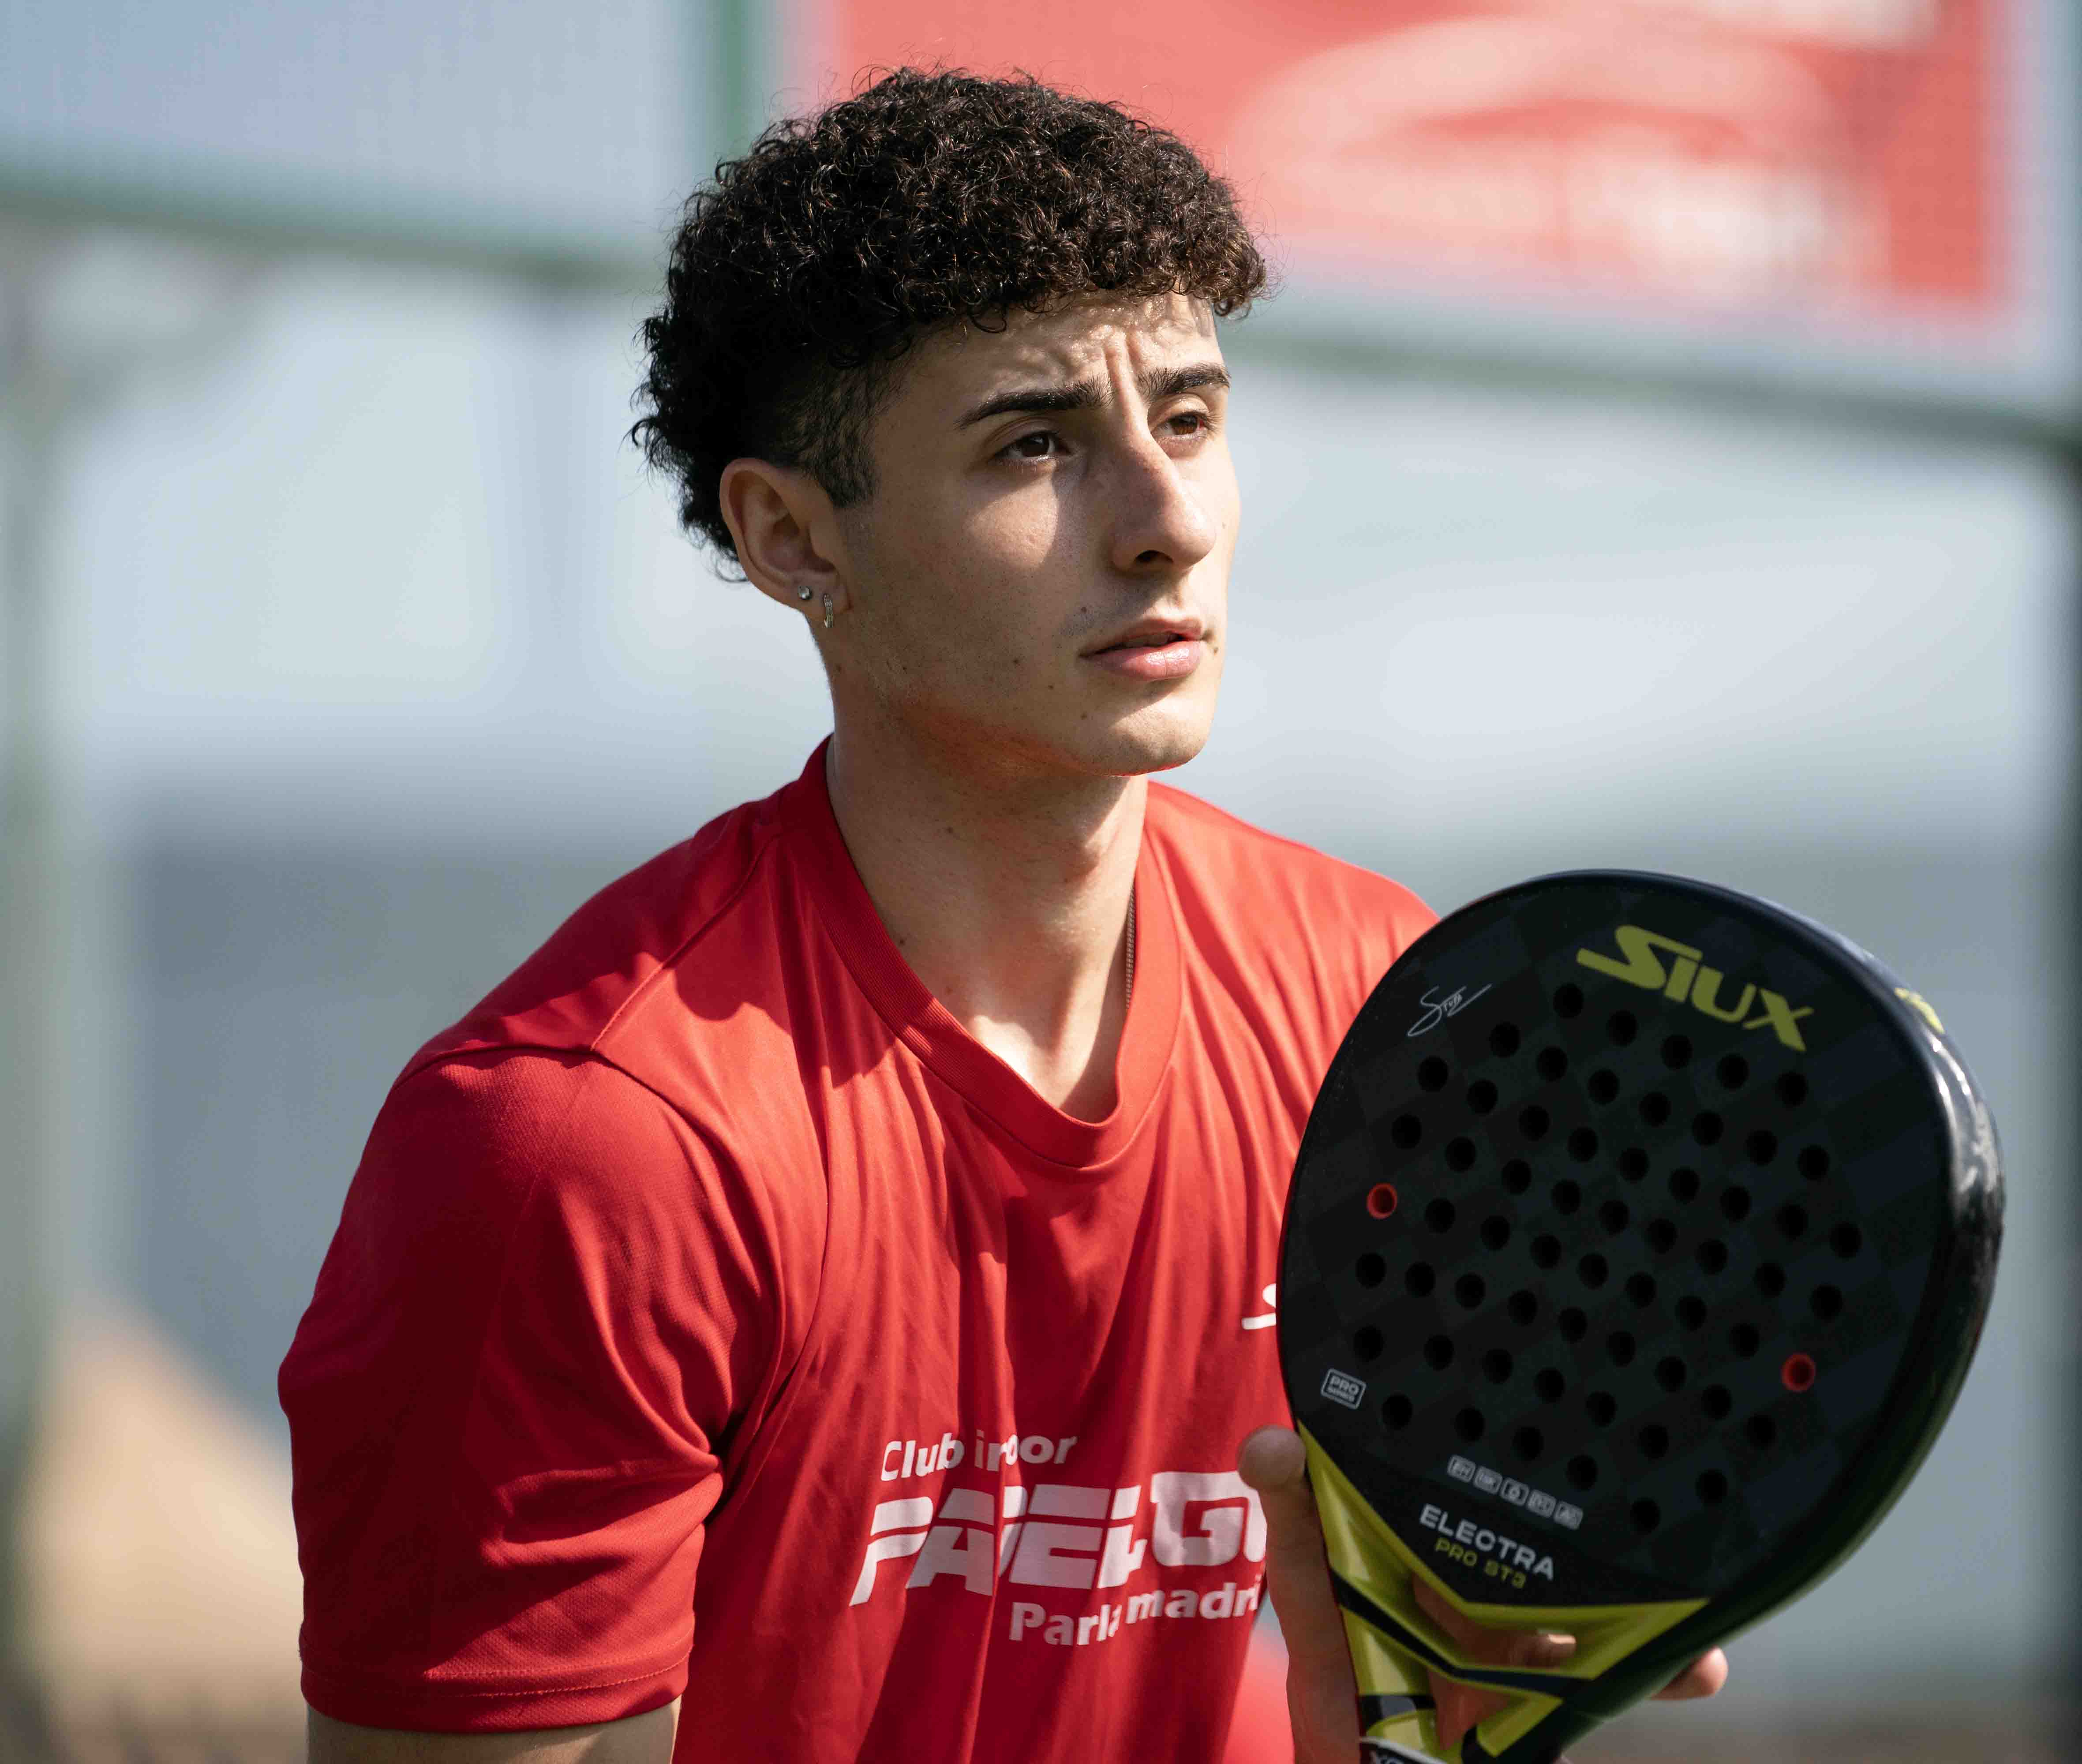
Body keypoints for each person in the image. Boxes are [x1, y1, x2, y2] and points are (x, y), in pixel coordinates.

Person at [278, 69, 1724, 1763]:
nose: (1167, 524)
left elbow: (1444, 1617)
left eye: (1190, 418)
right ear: (792, 534)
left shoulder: (1372, 997)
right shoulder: (585, 1152)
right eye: (1036, 445)